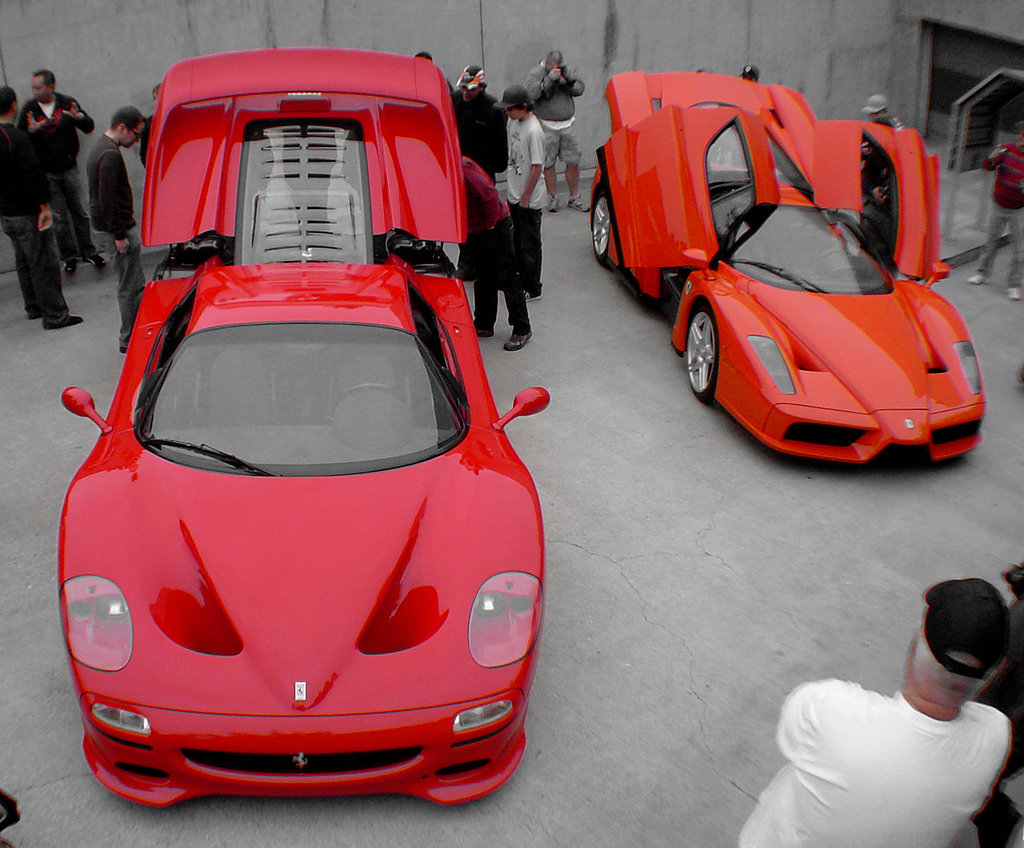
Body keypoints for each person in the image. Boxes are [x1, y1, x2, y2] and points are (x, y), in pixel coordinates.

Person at [739, 577, 1011, 848]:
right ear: (990, 674)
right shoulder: (996, 736)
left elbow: (791, 732)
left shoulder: (830, 709)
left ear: (918, 640)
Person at [0, 86, 82, 330]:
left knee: (24, 261)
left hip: (7, 213)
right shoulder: (17, 138)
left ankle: (34, 306)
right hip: (28, 212)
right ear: (13, 105)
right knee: (43, 262)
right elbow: (33, 172)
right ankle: (55, 315)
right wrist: (45, 205)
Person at [17, 69, 105, 274]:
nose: (34, 92)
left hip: (69, 168)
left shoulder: (66, 102)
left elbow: (88, 126)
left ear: (51, 86)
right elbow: (20, 138)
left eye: (38, 87)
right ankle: (69, 257)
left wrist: (78, 117)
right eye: (33, 88)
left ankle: (89, 251)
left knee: (79, 213)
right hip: (47, 173)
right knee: (58, 218)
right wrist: (31, 131)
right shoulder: (30, 109)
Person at [87, 106, 147, 353]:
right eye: (136, 134)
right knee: (131, 286)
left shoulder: (100, 148)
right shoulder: (110, 155)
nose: (136, 140)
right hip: (117, 231)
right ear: (123, 128)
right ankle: (130, 338)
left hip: (110, 229)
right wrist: (120, 234)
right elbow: (107, 199)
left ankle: (132, 335)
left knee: (130, 284)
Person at [462, 156, 531, 351]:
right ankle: (484, 323)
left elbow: (490, 196)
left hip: (495, 226)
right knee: (483, 277)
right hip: (475, 228)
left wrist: (490, 225)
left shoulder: (463, 170)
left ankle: (522, 328)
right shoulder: (445, 173)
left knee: (507, 277)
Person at [967, 120, 1024, 302]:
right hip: (999, 204)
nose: (1022, 139)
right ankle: (982, 274)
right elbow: (988, 166)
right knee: (991, 242)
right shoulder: (1006, 150)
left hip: (1019, 210)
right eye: (1021, 135)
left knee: (1020, 250)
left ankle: (1013, 285)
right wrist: (992, 157)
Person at [525, 50, 588, 213]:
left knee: (573, 161)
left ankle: (574, 197)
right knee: (548, 163)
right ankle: (553, 197)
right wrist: (548, 81)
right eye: (552, 66)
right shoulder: (536, 73)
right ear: (546, 63)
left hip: (567, 125)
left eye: (558, 66)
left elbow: (580, 90)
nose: (556, 69)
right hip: (546, 126)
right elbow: (532, 94)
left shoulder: (565, 71)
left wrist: (569, 81)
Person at [500, 85, 547, 302]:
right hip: (515, 192)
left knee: (529, 244)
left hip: (529, 198)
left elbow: (537, 166)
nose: (508, 112)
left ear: (524, 106)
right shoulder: (512, 122)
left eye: (511, 108)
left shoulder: (534, 130)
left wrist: (526, 196)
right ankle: (519, 278)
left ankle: (532, 286)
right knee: (516, 241)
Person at [453, 65, 507, 182]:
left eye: (471, 89)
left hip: (482, 170)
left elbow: (500, 143)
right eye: (463, 88)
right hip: (458, 165)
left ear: (481, 87)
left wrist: (496, 166)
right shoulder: (453, 100)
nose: (466, 93)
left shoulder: (493, 109)